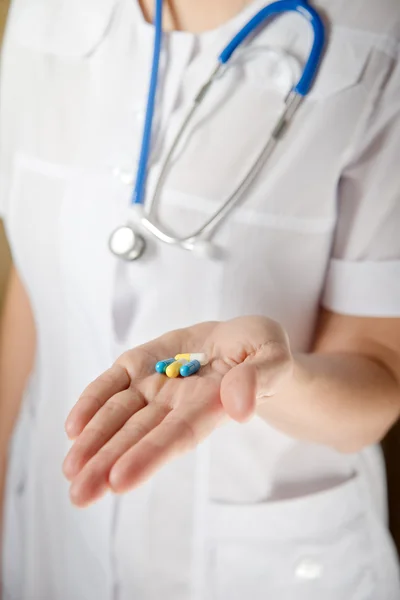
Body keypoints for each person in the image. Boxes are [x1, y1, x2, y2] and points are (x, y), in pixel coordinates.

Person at [1, 0, 400, 598]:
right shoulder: (42, 16)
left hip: (266, 567)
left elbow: (379, 370)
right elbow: (36, 295)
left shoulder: (379, 35)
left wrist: (273, 378)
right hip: (52, 543)